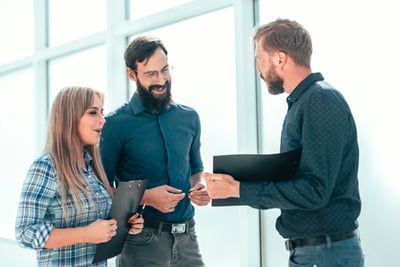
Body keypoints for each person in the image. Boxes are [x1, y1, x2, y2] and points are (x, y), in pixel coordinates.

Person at [205, 18, 365, 267]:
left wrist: (237, 190)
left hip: (324, 253)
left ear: (280, 58)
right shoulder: (303, 103)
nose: (258, 68)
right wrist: (238, 183)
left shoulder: (319, 101)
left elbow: (315, 191)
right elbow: (301, 177)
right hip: (315, 253)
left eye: (260, 59)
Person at [99, 36, 210, 267]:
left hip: (188, 237)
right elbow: (100, 188)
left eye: (165, 70)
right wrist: (147, 197)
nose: (161, 80)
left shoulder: (189, 117)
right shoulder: (114, 124)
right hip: (140, 240)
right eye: (151, 74)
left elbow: (196, 168)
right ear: (132, 74)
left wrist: (201, 186)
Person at [15, 86, 144, 267]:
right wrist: (86, 233)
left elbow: (96, 221)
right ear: (69, 118)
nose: (102, 120)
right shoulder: (46, 167)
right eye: (93, 113)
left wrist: (125, 224)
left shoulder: (92, 167)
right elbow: (25, 233)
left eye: (102, 112)